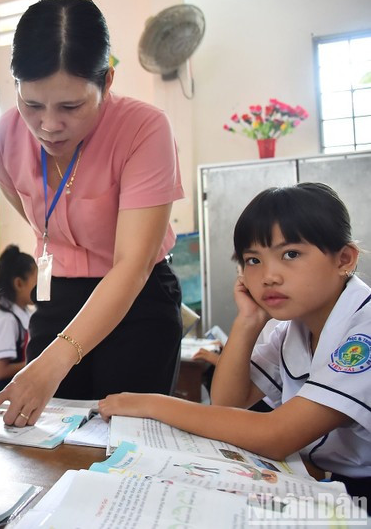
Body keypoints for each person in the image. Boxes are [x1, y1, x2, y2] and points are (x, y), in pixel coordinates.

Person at [0, 0, 184, 426]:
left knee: (125, 439)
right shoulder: (6, 134)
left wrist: (54, 361)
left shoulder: (144, 129)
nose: (48, 125)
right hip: (58, 295)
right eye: (32, 104)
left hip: (137, 299)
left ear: (106, 81)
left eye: (70, 107)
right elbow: (37, 219)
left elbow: (133, 265)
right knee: (44, 436)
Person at [98, 183, 371, 502]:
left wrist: (152, 403)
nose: (269, 276)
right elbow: (228, 401)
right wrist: (248, 321)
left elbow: (277, 435)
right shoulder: (292, 326)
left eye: (291, 254)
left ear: (344, 259)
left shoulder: (363, 331)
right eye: (253, 260)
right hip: (342, 483)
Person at [0, 245, 37, 391]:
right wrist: (38, 362)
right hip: (4, 398)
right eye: (37, 281)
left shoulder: (26, 314)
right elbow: (0, 372)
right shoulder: (5, 320)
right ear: (19, 283)